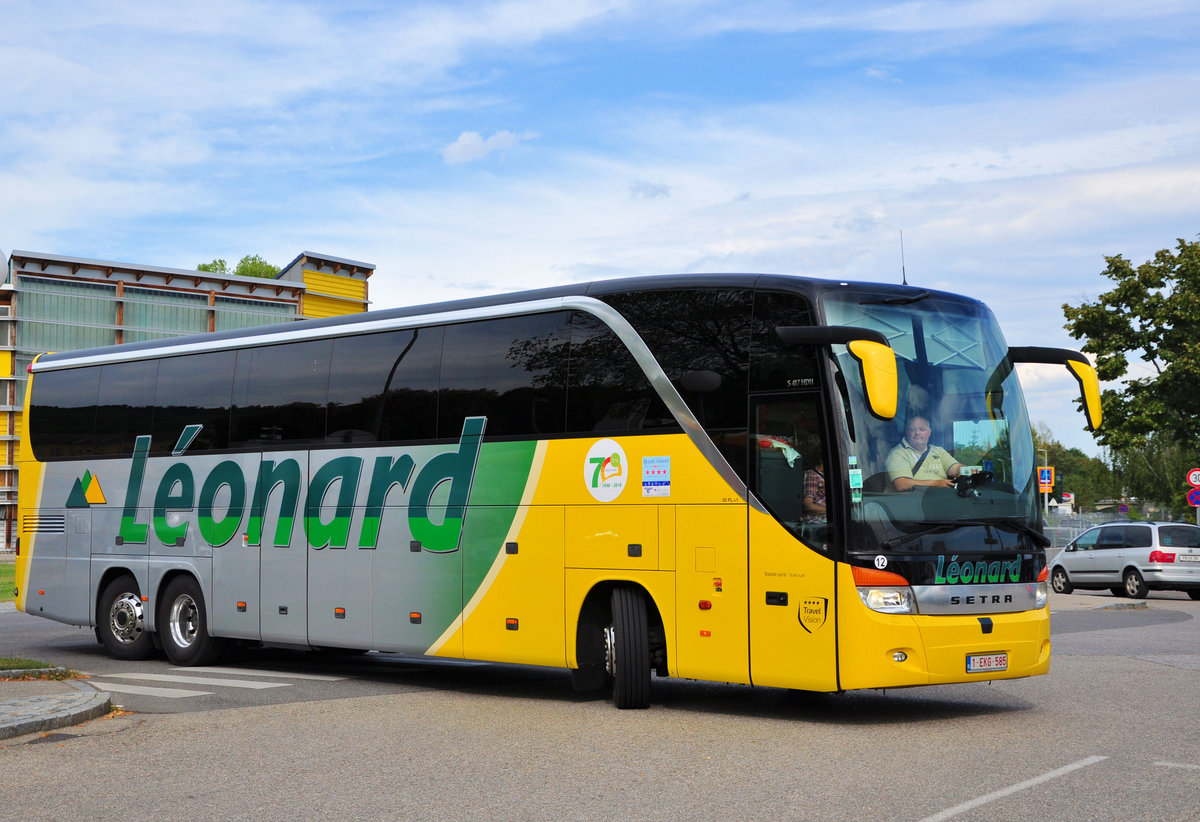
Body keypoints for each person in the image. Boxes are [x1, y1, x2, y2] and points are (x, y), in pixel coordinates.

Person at [886, 416, 963, 491]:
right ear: (907, 432)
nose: (917, 433)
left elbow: (955, 469)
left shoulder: (938, 451)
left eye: (922, 429)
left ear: (929, 432)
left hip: (939, 497)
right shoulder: (898, 453)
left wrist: (968, 470)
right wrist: (935, 484)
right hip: (911, 500)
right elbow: (902, 485)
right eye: (912, 430)